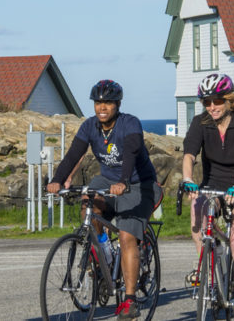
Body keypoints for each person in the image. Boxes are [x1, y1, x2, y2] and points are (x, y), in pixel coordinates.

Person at [46, 79, 159, 321]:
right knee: (88, 202)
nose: (102, 107)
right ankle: (102, 251)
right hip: (107, 181)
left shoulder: (130, 124)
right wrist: (57, 180)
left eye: (107, 102)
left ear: (117, 104)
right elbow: (73, 155)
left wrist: (124, 181)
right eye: (98, 102)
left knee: (128, 236)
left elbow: (130, 152)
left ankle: (129, 300)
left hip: (139, 183)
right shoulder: (89, 127)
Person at [182, 73, 234, 320]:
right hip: (214, 182)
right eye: (206, 102)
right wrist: (188, 180)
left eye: (217, 101)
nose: (211, 107)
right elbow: (189, 155)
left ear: (230, 100)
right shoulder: (201, 122)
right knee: (197, 211)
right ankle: (208, 268)